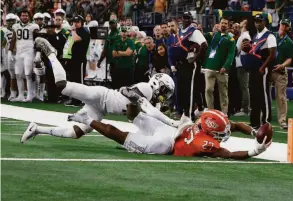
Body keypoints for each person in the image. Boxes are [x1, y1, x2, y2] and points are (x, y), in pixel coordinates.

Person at [21, 37, 177, 143]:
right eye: (165, 91)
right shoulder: (147, 89)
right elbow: (125, 92)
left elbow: (150, 116)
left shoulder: (149, 99)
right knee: (62, 86)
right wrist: (171, 121)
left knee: (74, 133)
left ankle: (37, 129)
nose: (163, 96)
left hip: (101, 110)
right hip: (101, 96)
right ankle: (51, 53)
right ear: (158, 84)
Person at [49, 103, 271, 160]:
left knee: (134, 116)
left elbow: (233, 125)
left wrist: (253, 132)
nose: (224, 135)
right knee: (118, 134)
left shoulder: (203, 122)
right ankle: (86, 119)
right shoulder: (204, 143)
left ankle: (134, 99)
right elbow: (229, 155)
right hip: (164, 146)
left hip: (171, 130)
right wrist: (255, 151)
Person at [241, 14, 277, 129]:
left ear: (264, 22)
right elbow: (252, 51)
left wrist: (263, 67)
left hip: (262, 69)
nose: (258, 23)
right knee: (254, 95)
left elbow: (272, 55)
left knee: (264, 94)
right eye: (256, 21)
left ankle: (266, 120)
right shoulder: (256, 36)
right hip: (254, 69)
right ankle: (255, 121)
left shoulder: (269, 36)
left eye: (260, 21)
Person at [203, 16, 236, 115]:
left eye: (226, 23)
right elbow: (202, 36)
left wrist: (225, 67)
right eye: (222, 23)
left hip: (222, 70)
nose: (223, 25)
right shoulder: (213, 35)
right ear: (219, 24)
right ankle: (210, 111)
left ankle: (224, 114)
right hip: (209, 67)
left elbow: (231, 55)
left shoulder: (230, 39)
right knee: (208, 89)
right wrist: (211, 30)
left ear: (228, 25)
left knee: (223, 93)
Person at [8, 9, 39, 102]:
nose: (24, 17)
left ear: (29, 17)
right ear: (20, 16)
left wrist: (38, 53)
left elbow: (37, 40)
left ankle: (30, 95)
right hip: (19, 52)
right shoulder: (16, 26)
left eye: (26, 15)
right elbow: (13, 39)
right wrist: (10, 51)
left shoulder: (34, 26)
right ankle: (20, 95)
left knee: (28, 74)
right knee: (18, 74)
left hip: (29, 52)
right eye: (23, 15)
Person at [271, 19, 293, 129]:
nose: (283, 27)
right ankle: (264, 118)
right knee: (264, 94)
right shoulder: (272, 36)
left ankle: (282, 120)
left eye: (286, 25)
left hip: (280, 71)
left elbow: (290, 59)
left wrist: (282, 65)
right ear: (279, 24)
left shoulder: (289, 42)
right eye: (282, 24)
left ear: (288, 28)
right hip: (269, 68)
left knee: (281, 96)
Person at [62, 15, 90, 106]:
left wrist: (73, 31)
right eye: (74, 22)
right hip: (72, 59)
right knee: (73, 80)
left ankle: (81, 100)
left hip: (80, 59)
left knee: (79, 81)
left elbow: (76, 39)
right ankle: (74, 99)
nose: (76, 24)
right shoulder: (73, 32)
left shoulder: (84, 31)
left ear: (82, 23)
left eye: (78, 22)